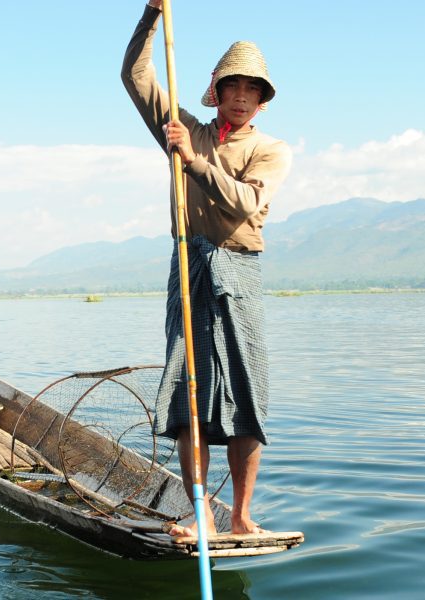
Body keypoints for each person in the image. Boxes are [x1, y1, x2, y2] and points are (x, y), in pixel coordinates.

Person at [122, 0, 292, 542]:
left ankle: (240, 515)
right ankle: (200, 513)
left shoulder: (271, 149)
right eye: (233, 88)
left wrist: (192, 162)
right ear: (216, 91)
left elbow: (244, 202)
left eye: (252, 91)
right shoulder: (185, 128)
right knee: (188, 394)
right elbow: (136, 74)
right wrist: (150, 16)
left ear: (262, 102)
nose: (241, 98)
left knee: (244, 395)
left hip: (238, 271)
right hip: (188, 266)